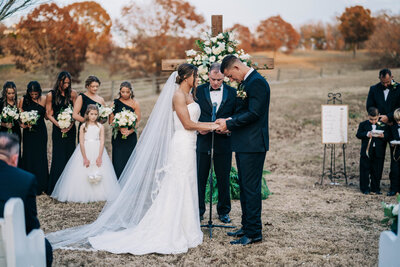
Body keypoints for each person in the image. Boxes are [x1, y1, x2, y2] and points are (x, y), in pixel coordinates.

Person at [46, 64, 218, 254]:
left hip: (190, 143)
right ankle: (172, 226)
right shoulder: (177, 95)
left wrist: (207, 126)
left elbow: (192, 123)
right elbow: (186, 123)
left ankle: (187, 227)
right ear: (186, 77)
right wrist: (212, 126)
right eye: (195, 76)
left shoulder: (190, 96)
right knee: (179, 182)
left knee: (187, 183)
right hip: (181, 145)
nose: (198, 78)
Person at [216, 55, 270, 245]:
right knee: (246, 188)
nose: (231, 80)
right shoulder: (247, 83)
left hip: (253, 145)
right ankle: (247, 227)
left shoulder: (257, 83)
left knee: (251, 189)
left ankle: (254, 232)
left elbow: (254, 113)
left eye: (231, 76)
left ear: (237, 68)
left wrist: (230, 122)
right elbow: (242, 111)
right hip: (244, 143)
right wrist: (227, 122)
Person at [0, 133, 53, 266]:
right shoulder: (25, 180)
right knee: (45, 247)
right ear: (14, 158)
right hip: (7, 246)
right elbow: (32, 226)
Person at [51, 105, 120, 203]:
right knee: (84, 169)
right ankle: (83, 192)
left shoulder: (100, 126)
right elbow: (81, 142)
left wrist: (100, 156)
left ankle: (99, 193)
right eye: (91, 114)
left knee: (99, 167)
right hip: (85, 149)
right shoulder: (83, 126)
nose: (93, 116)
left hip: (97, 149)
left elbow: (102, 142)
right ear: (87, 114)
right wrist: (85, 158)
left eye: (96, 114)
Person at [195, 63, 236, 223]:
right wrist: (199, 128)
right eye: (213, 79)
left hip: (224, 142)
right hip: (203, 140)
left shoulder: (233, 93)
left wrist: (228, 128)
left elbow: (236, 115)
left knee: (223, 177)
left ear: (224, 77)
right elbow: (191, 113)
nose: (216, 83)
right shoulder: (198, 91)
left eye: (219, 80)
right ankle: (198, 211)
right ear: (208, 76)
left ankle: (223, 211)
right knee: (200, 177)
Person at [366, 68, 400, 196]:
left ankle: (395, 188)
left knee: (395, 158)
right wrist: (379, 116)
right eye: (383, 82)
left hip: (394, 128)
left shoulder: (399, 88)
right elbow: (369, 106)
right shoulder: (374, 89)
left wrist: (390, 117)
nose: (385, 84)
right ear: (379, 78)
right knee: (377, 158)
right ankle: (375, 187)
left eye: (387, 82)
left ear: (392, 77)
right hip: (379, 128)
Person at [46, 71, 78, 195]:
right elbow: (49, 114)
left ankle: (71, 186)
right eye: (64, 82)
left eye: (68, 83)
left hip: (70, 129)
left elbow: (76, 112)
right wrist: (59, 124)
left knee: (70, 155)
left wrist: (70, 125)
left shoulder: (73, 94)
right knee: (58, 156)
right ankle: (56, 186)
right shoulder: (51, 95)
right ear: (59, 81)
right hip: (57, 128)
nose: (66, 85)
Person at [18, 81, 49, 195]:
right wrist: (23, 124)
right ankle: (29, 184)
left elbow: (46, 116)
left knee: (41, 156)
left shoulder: (44, 99)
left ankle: (42, 184)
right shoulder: (23, 100)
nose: (34, 96)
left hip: (41, 131)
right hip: (28, 132)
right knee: (29, 156)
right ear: (28, 92)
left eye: (36, 94)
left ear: (39, 91)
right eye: (32, 94)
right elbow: (19, 117)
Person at [110, 81, 141, 178]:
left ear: (131, 92)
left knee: (130, 160)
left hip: (130, 137)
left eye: (127, 92)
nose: (125, 94)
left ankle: (129, 182)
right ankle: (118, 182)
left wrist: (130, 131)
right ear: (120, 91)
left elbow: (138, 121)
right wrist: (120, 128)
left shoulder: (135, 103)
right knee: (118, 160)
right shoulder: (114, 103)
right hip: (118, 137)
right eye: (123, 92)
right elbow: (110, 121)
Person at [356, 107, 386, 194]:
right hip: (366, 151)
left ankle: (375, 188)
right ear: (368, 116)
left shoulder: (382, 125)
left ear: (379, 116)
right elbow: (358, 134)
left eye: (375, 119)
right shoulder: (363, 124)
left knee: (377, 169)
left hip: (378, 151)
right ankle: (365, 188)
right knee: (365, 169)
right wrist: (366, 134)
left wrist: (383, 136)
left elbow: (387, 135)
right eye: (371, 119)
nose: (373, 121)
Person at [0, 81, 21, 164]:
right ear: (5, 93)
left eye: (13, 93)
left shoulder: (17, 103)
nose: (11, 95)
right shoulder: (1, 103)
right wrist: (4, 124)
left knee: (15, 154)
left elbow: (20, 118)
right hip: (4, 133)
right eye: (9, 93)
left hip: (16, 132)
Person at [385, 108, 400, 196]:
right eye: (397, 120)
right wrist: (392, 143)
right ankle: (394, 189)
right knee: (394, 170)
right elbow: (389, 137)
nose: (398, 122)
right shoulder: (392, 127)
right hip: (396, 152)